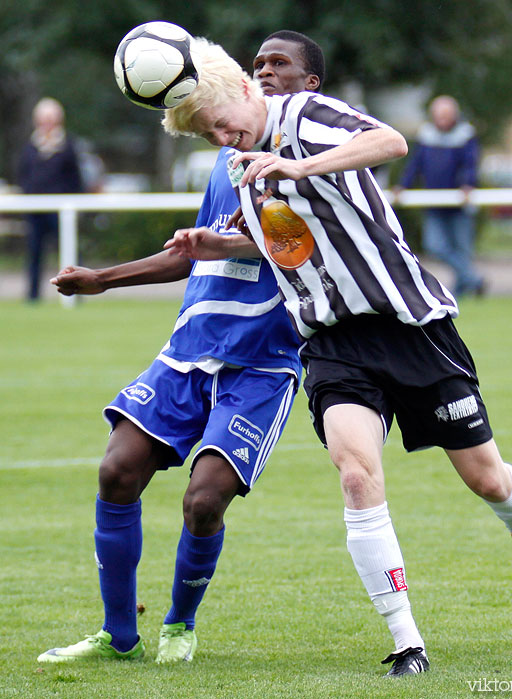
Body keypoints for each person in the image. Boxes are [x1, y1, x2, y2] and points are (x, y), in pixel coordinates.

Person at [162, 39, 512, 677]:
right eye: (206, 133)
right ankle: (406, 641)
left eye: (219, 121)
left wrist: (301, 168)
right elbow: (283, 241)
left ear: (247, 92)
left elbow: (391, 142)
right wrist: (216, 244)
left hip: (410, 326)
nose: (219, 137)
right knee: (357, 476)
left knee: (487, 479)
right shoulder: (237, 165)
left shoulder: (305, 116)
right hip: (333, 343)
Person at [36, 31, 326, 665]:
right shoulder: (228, 163)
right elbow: (189, 255)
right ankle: (119, 636)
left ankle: (179, 623)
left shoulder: (309, 163)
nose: (265, 73)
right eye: (258, 63)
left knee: (203, 500)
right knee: (117, 469)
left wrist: (245, 233)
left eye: (280, 66)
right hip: (188, 351)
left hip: (261, 364)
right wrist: (103, 280)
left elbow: (294, 247)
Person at [394, 95, 485, 297]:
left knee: (462, 250)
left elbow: (471, 164)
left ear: (455, 116)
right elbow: (415, 165)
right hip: (435, 204)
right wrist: (403, 185)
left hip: (459, 203)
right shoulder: (427, 136)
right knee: (435, 246)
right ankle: (474, 279)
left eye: (446, 116)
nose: (442, 120)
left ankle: (462, 289)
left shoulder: (466, 135)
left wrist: (468, 184)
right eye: (439, 116)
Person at [18, 97, 83, 301]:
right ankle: (33, 295)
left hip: (62, 209)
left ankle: (78, 290)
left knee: (70, 252)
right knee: (35, 254)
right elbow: (23, 175)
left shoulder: (68, 145)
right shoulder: (30, 146)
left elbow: (75, 178)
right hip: (36, 210)